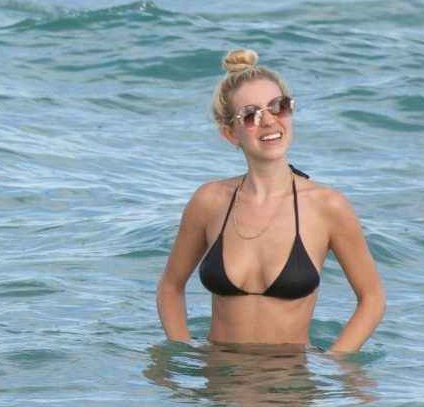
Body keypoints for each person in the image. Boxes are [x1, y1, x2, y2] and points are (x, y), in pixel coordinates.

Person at [156, 49, 385, 353]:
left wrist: (335, 360)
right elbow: (170, 287)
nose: (268, 121)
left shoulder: (327, 206)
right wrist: (181, 352)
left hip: (290, 378)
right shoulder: (209, 201)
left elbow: (372, 298)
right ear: (230, 133)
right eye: (251, 115)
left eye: (279, 107)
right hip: (216, 375)